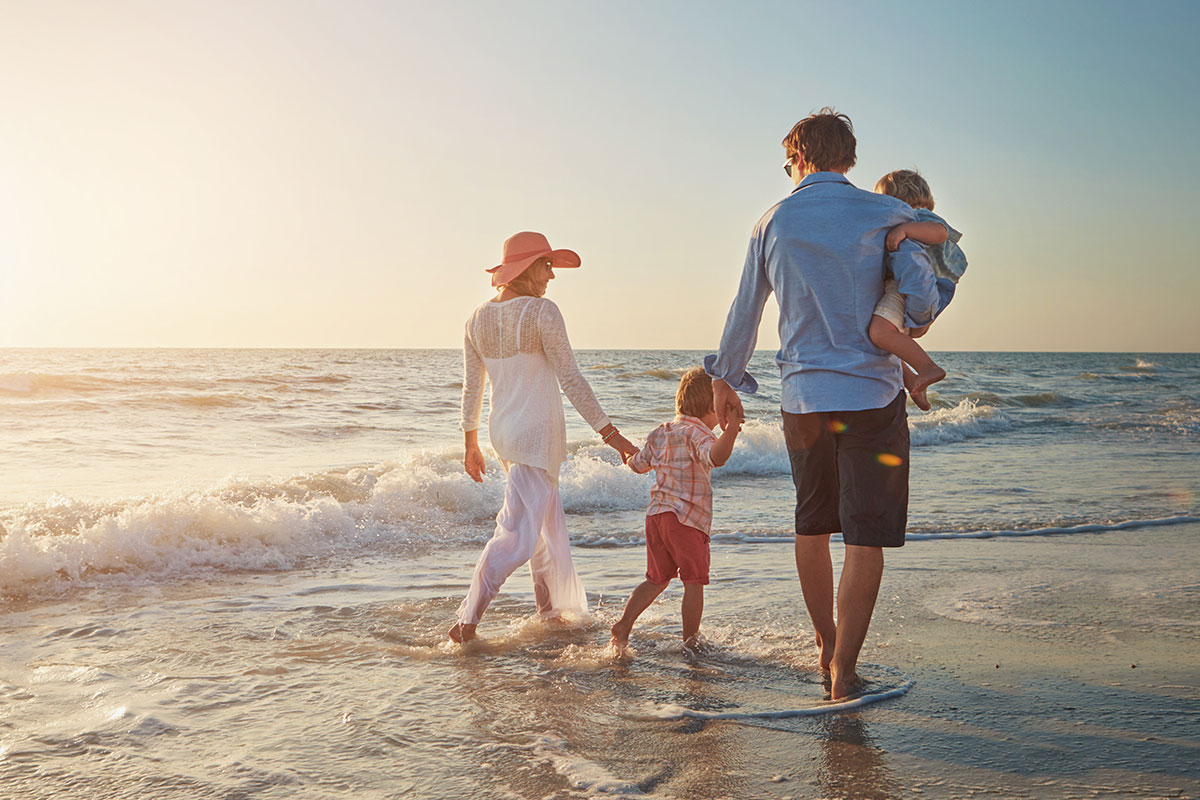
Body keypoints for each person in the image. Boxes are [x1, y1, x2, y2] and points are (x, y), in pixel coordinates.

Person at [706, 108, 939, 700]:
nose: (788, 172)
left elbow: (745, 311)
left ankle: (825, 644)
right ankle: (845, 673)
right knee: (865, 537)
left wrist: (726, 378)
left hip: (804, 400)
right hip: (872, 396)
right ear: (847, 158)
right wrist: (914, 318)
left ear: (802, 158)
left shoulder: (771, 221)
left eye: (788, 162)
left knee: (812, 527)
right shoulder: (887, 211)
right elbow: (919, 293)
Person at [450, 231, 638, 643]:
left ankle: (550, 613)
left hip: (505, 435)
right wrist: (613, 436)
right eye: (546, 265)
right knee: (517, 534)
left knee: (545, 532)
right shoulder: (542, 312)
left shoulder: (475, 319)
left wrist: (472, 442)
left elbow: (472, 389)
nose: (551, 276)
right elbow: (571, 378)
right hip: (536, 435)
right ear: (525, 267)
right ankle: (467, 619)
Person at [609, 368, 743, 653]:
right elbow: (716, 457)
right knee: (694, 582)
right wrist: (731, 431)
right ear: (712, 407)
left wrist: (626, 453)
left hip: (657, 517)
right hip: (687, 521)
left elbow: (637, 464)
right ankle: (690, 642)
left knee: (656, 579)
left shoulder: (661, 432)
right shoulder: (699, 434)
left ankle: (623, 624)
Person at [868, 169, 969, 410]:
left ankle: (927, 368)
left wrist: (905, 230)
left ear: (901, 198)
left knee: (880, 333)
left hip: (911, 288)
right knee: (888, 341)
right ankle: (913, 382)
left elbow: (941, 233)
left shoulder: (917, 216)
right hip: (914, 287)